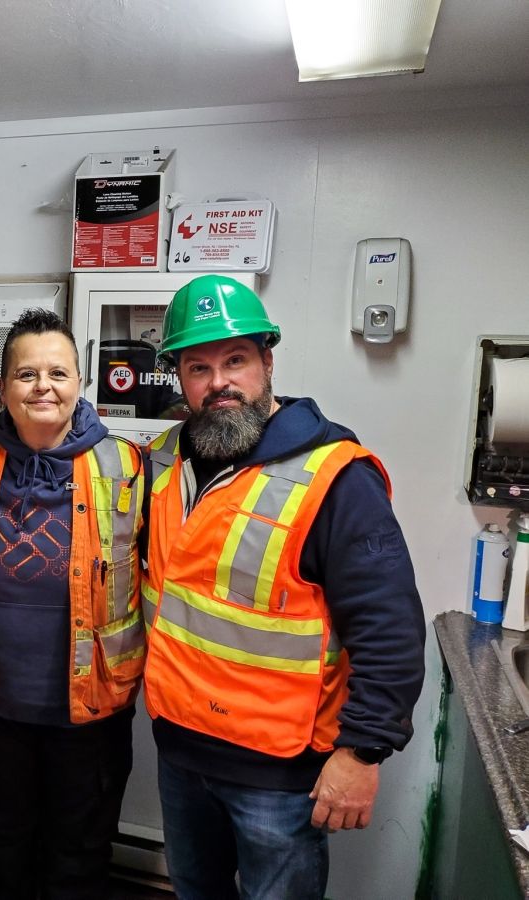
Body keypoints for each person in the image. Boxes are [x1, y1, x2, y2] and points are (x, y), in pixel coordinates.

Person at [142, 275, 426, 900]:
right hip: (183, 752)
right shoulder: (165, 464)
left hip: (277, 775)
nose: (219, 382)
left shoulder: (334, 477)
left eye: (235, 360)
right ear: (179, 378)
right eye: (198, 366)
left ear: (267, 362)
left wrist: (363, 753)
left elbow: (389, 628)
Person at [0, 308, 147, 899]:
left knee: (78, 856)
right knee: (0, 847)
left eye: (58, 373)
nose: (43, 387)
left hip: (91, 711)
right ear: (2, 387)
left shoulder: (126, 467)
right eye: (26, 374)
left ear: (80, 382)